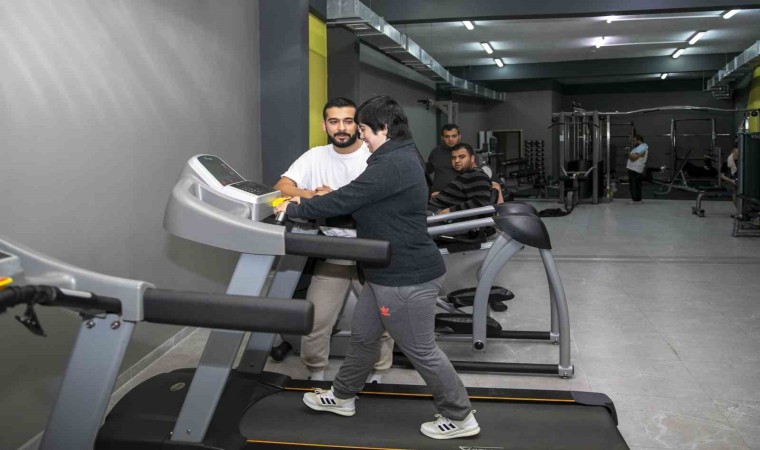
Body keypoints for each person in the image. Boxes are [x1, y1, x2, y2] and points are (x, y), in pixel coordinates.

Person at [275, 95, 480, 440]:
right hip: (381, 271)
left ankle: (460, 416)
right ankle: (342, 396)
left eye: (364, 130)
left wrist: (292, 208)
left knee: (421, 350)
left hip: (405, 275)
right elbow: (358, 203)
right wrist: (310, 200)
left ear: (383, 128)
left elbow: (348, 198)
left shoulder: (392, 164)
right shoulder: (398, 155)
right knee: (364, 337)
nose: (362, 137)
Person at [274, 97, 393, 382]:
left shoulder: (373, 154)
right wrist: (313, 196)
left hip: (371, 250)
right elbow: (281, 186)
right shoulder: (315, 156)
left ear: (359, 125)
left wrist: (333, 200)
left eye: (348, 121)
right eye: (334, 121)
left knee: (383, 319)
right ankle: (316, 375)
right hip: (334, 251)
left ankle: (378, 375)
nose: (341, 128)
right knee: (316, 320)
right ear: (324, 125)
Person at [429, 143, 495, 215]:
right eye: (454, 158)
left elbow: (481, 202)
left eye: (462, 157)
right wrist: (443, 195)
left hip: (437, 216)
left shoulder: (476, 175)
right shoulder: (466, 175)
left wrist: (451, 210)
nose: (456, 161)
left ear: (472, 158)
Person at [427, 124, 462, 193]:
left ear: (459, 136)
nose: (451, 139)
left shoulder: (468, 152)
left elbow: (475, 175)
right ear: (442, 137)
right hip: (438, 195)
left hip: (460, 195)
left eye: (454, 136)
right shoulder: (436, 152)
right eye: (447, 136)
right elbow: (428, 170)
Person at [626, 134, 648, 204]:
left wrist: (628, 152)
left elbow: (633, 158)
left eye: (634, 141)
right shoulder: (640, 147)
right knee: (636, 185)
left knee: (634, 185)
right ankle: (637, 199)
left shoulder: (642, 147)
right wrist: (629, 154)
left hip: (635, 169)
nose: (633, 142)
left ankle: (636, 200)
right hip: (634, 168)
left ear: (638, 140)